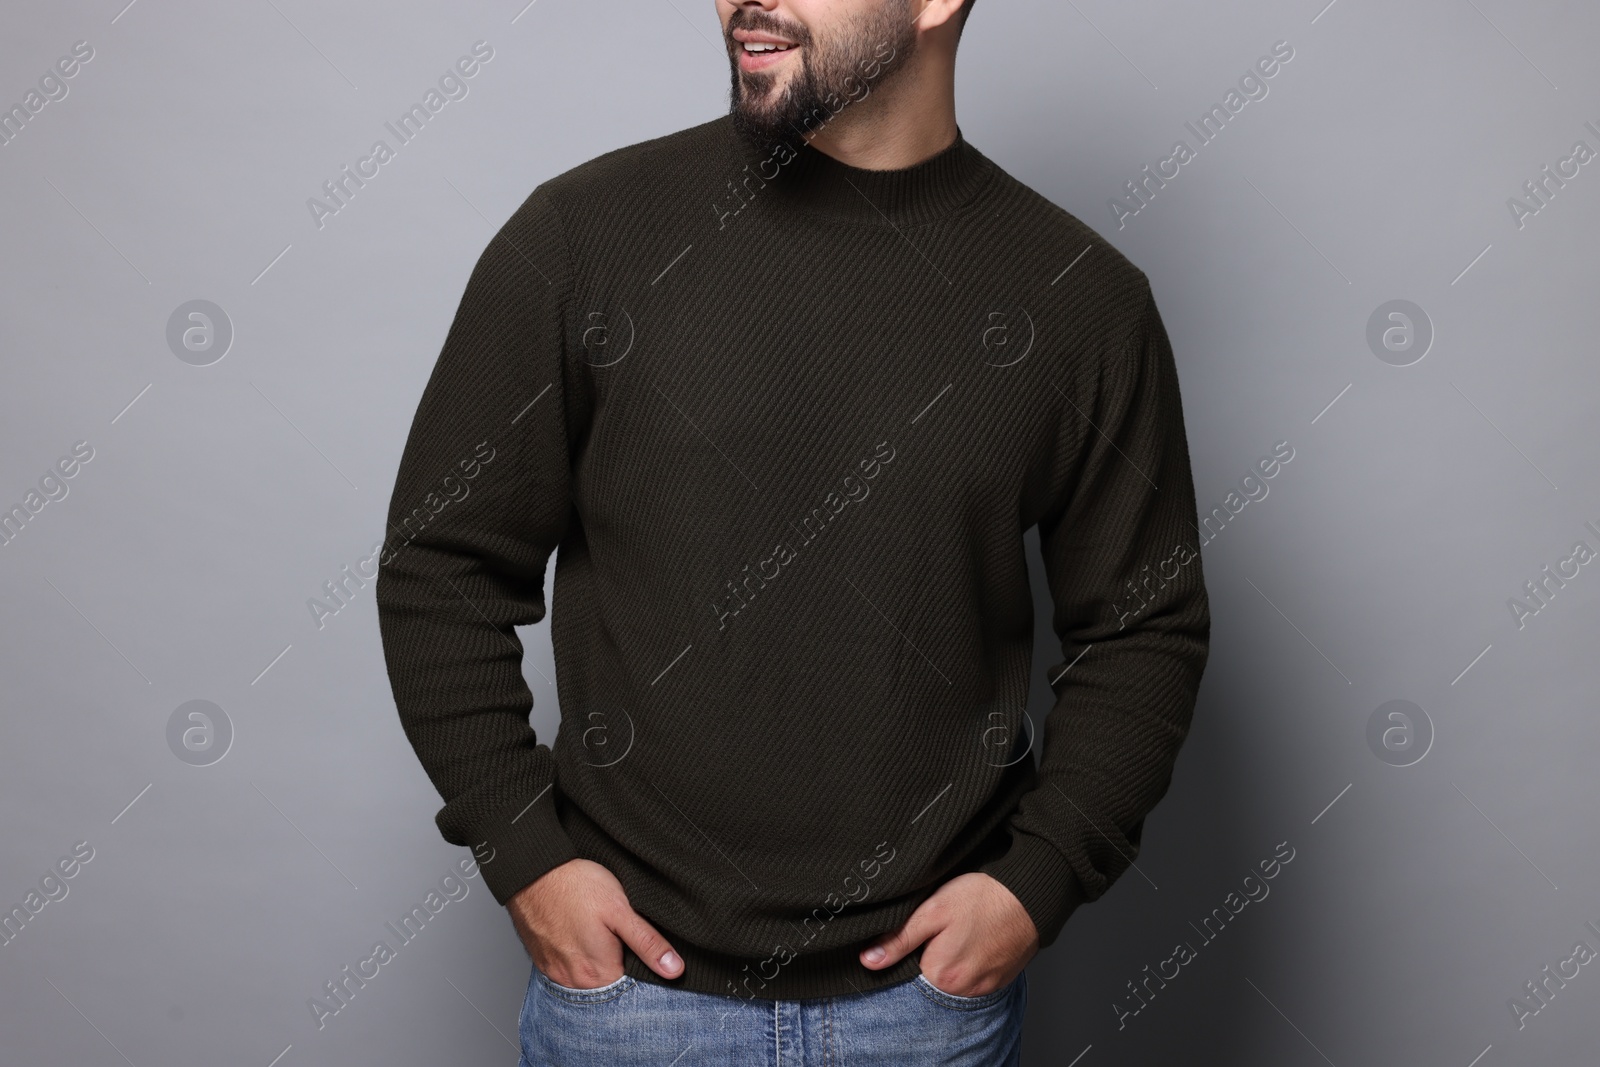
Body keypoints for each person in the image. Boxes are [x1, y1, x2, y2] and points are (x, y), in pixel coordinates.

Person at [374, 0, 1210, 1062]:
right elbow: (440, 564)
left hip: (925, 1014)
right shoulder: (585, 239)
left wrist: (1035, 882)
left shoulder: (1081, 300)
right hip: (630, 1007)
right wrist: (525, 853)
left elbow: (1145, 628)